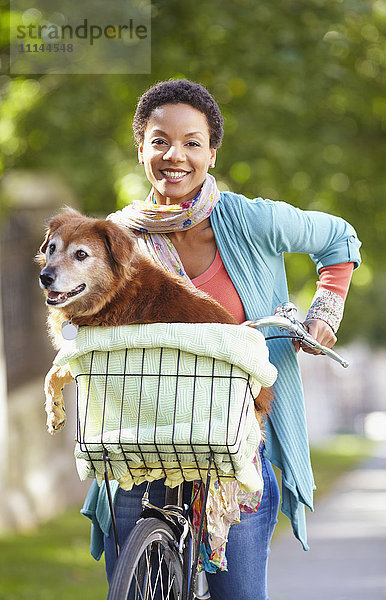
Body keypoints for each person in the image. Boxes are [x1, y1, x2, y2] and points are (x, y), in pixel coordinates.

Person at [81, 79, 361, 600]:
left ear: (212, 151)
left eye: (193, 142)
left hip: (235, 450)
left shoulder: (249, 220)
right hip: (141, 445)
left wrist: (324, 312)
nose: (175, 156)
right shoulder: (115, 239)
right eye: (160, 140)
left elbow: (338, 239)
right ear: (141, 146)